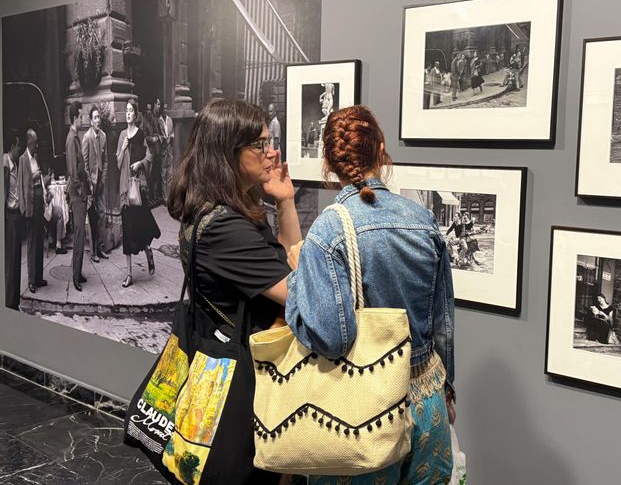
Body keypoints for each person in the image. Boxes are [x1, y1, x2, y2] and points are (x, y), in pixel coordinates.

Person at [285, 105, 455, 484]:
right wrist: (447, 392)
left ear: (327, 162)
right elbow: (442, 319)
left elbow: (330, 338)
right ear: (382, 152)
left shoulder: (326, 232)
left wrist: (299, 279)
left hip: (363, 412)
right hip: (426, 400)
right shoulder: (421, 219)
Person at [167, 98, 299, 484]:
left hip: (245, 374)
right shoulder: (225, 229)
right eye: (260, 144)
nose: (271, 151)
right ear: (229, 151)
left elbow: (288, 260)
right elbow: (301, 291)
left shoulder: (225, 209)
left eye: (269, 140)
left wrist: (285, 200)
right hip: (244, 387)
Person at [116, 99, 161, 288]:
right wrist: (124, 148)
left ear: (135, 114)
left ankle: (147, 248)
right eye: (125, 111)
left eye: (130, 111)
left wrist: (140, 164)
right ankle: (129, 274)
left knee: (140, 225)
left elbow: (150, 157)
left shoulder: (141, 134)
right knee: (127, 231)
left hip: (138, 189)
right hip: (126, 190)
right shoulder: (121, 136)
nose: (127, 113)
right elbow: (118, 163)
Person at [19, 129, 50, 294]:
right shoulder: (23, 160)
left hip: (39, 202)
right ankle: (31, 280)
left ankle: (39, 277)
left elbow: (39, 180)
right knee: (32, 242)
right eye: (35, 142)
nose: (37, 145)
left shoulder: (35, 158)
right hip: (30, 206)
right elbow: (22, 185)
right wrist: (24, 209)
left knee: (39, 239)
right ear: (29, 142)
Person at [65, 102, 89, 291]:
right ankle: (75, 276)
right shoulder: (72, 139)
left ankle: (78, 272)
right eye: (81, 116)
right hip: (77, 193)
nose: (83, 119)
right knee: (79, 234)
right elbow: (73, 173)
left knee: (81, 235)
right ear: (75, 118)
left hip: (81, 191)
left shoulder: (76, 137)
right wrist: (81, 193)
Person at [81, 106, 109, 262]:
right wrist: (90, 184)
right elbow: (84, 164)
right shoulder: (87, 138)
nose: (98, 120)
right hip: (91, 184)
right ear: (91, 121)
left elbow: (105, 161)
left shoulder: (103, 136)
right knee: (92, 217)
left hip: (100, 183)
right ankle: (93, 253)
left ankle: (101, 248)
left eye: (99, 117)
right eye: (95, 118)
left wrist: (103, 180)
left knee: (102, 215)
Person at [4, 131, 23, 308]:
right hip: (9, 218)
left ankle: (15, 304)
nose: (20, 149)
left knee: (16, 261)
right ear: (11, 147)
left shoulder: (13, 164)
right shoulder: (5, 164)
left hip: (16, 216)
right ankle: (9, 304)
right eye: (18, 146)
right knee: (10, 264)